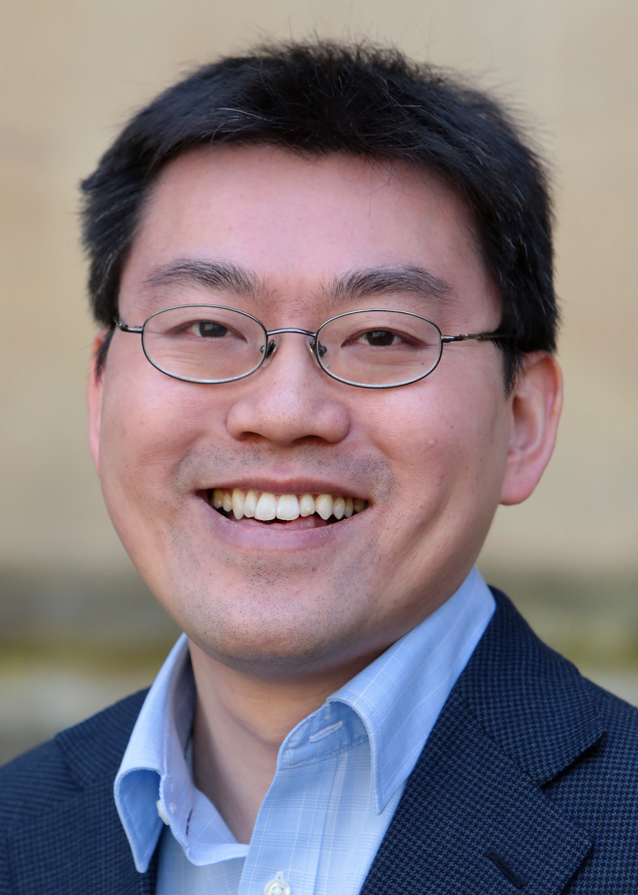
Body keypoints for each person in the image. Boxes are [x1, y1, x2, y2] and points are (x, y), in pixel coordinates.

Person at [1, 40, 637, 895]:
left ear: (522, 422)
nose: (284, 410)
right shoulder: (18, 829)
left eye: (381, 337)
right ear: (101, 391)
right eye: (207, 327)